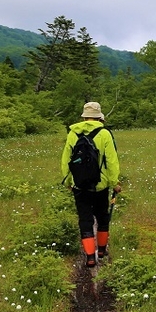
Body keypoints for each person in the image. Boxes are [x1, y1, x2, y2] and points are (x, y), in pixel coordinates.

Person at [61, 101, 122, 267]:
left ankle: (89, 257)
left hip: (79, 186)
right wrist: (114, 182)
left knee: (85, 219)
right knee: (102, 217)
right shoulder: (105, 134)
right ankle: (101, 251)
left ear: (84, 116)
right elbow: (112, 161)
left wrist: (68, 181)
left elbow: (66, 160)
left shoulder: (73, 133)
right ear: (99, 116)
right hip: (100, 186)